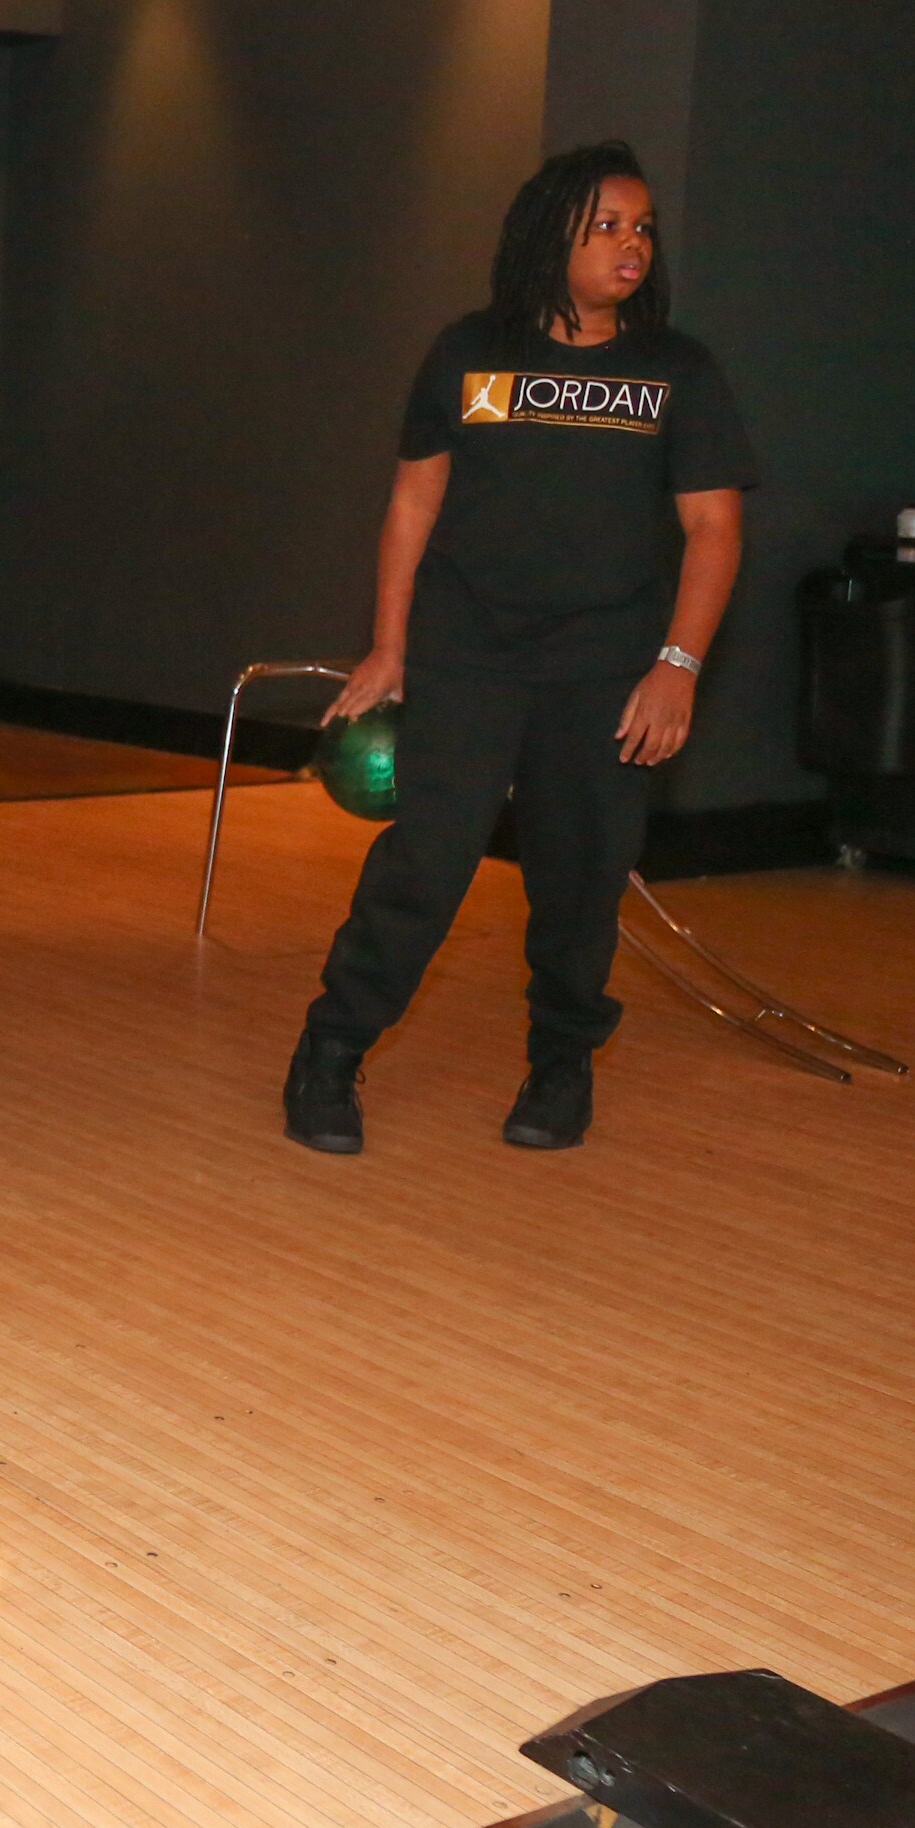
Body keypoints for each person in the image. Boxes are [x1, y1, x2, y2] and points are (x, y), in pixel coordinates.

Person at [286, 140, 754, 1155]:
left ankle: (560, 1065)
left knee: (581, 877)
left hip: (608, 669)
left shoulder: (677, 371)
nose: (633, 247)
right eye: (609, 227)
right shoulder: (467, 353)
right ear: (553, 236)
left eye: (643, 229)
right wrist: (388, 646)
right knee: (428, 862)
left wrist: (677, 667)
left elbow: (714, 531)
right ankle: (331, 1052)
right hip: (470, 654)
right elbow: (414, 502)